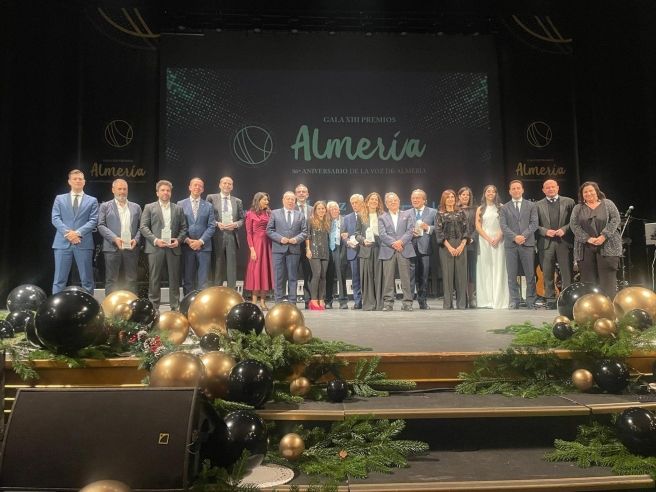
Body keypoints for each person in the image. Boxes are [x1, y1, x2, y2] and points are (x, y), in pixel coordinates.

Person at [140, 180, 188, 311]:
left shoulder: (178, 208)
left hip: (173, 248)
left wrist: (178, 240)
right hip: (156, 248)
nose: (165, 192)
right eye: (163, 190)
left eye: (168, 190)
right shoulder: (149, 207)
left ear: (171, 193)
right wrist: (155, 240)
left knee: (174, 278)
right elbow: (143, 227)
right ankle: (154, 307)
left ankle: (175, 306)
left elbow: (184, 228)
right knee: (154, 278)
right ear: (157, 192)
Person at [570, 181, 622, 297]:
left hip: (607, 246)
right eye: (585, 192)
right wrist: (587, 238)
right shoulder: (578, 208)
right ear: (582, 195)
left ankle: (609, 304)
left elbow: (615, 219)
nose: (588, 194)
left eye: (591, 191)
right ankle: (591, 305)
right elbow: (574, 225)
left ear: (597, 192)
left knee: (608, 281)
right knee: (588, 282)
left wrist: (604, 236)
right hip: (585, 248)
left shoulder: (608, 203)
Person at [51, 169, 99, 294]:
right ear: (69, 181)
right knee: (59, 280)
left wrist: (77, 233)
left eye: (80, 179)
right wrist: (69, 234)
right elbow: (55, 218)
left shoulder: (92, 200)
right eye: (75, 179)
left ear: (84, 182)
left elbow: (93, 221)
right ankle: (56, 305)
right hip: (62, 243)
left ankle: (89, 305)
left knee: (87, 280)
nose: (78, 181)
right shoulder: (59, 199)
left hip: (83, 243)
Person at [97, 178, 142, 295]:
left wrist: (136, 240)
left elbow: (141, 227)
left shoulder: (136, 207)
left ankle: (132, 304)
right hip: (112, 248)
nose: (122, 191)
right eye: (119, 189)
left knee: (131, 280)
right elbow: (101, 225)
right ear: (113, 190)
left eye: (124, 189)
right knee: (111, 280)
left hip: (131, 248)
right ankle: (109, 304)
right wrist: (114, 238)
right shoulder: (105, 206)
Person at [536, 179, 575, 309]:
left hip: (564, 242)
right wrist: (545, 231)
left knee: (566, 273)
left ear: (558, 188)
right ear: (543, 190)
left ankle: (567, 299)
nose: (550, 189)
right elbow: (534, 225)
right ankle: (550, 300)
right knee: (547, 274)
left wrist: (564, 229)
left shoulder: (569, 202)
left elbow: (574, 222)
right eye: (547, 187)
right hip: (546, 244)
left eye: (553, 187)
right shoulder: (537, 205)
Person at [499, 180, 538, 309]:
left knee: (530, 274)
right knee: (512, 275)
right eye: (513, 188)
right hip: (511, 244)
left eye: (518, 188)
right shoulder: (504, 207)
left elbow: (534, 224)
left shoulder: (531, 205)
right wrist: (515, 237)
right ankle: (514, 300)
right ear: (509, 191)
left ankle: (530, 301)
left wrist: (523, 236)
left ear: (522, 190)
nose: (516, 190)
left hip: (527, 244)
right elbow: (503, 226)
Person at [266, 191, 308, 304]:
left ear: (295, 201)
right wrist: (280, 238)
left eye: (292, 199)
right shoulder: (275, 213)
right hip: (278, 249)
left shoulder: (300, 215)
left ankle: (292, 302)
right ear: (283, 200)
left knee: (293, 277)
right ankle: (278, 301)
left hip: (294, 250)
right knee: (278, 277)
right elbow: (269, 230)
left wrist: (296, 239)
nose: (290, 201)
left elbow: (304, 232)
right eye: (288, 199)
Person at [378, 192, 415, 312]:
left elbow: (410, 231)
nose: (393, 202)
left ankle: (407, 303)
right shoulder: (382, 217)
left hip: (404, 249)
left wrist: (401, 242)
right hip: (388, 250)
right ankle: (388, 303)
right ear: (386, 204)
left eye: (395, 200)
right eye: (390, 201)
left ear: (399, 202)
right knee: (388, 279)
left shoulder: (407, 214)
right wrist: (394, 243)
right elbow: (382, 234)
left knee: (406, 278)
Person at [178, 178, 215, 295]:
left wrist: (200, 241)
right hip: (187, 247)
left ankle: (201, 303)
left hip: (204, 247)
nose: (197, 187)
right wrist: (187, 240)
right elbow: (177, 225)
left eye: (200, 186)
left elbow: (211, 226)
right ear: (189, 187)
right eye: (195, 185)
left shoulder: (208, 206)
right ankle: (187, 302)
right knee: (187, 279)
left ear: (203, 189)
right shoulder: (180, 204)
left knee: (203, 280)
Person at [475, 185, 509, 309]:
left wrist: (498, 237)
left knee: (499, 268)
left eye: (493, 191)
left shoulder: (502, 207)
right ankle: (486, 300)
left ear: (496, 194)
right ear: (484, 193)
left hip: (499, 240)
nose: (491, 193)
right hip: (484, 241)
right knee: (485, 269)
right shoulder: (480, 209)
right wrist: (488, 238)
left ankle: (499, 300)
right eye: (488, 191)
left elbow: (505, 224)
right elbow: (478, 226)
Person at [207, 176, 244, 289]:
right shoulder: (211, 198)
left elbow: (242, 219)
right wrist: (217, 223)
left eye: (229, 184)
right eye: (225, 183)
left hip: (231, 235)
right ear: (220, 185)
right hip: (217, 235)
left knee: (231, 266)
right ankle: (216, 293)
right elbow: (207, 216)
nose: (227, 185)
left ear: (232, 187)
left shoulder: (237, 201)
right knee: (217, 265)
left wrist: (235, 224)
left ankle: (231, 292)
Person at [436, 189, 470, 309]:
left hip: (461, 244)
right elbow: (439, 232)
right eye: (448, 197)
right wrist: (450, 247)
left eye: (452, 197)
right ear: (444, 199)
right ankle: (448, 304)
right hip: (446, 246)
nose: (450, 199)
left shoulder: (461, 213)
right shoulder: (440, 214)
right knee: (447, 276)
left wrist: (462, 245)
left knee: (461, 276)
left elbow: (466, 230)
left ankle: (462, 304)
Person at [356, 192, 385, 311]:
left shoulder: (383, 215)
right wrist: (363, 240)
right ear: (367, 202)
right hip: (366, 249)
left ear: (378, 203)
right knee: (367, 276)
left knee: (379, 276)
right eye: (372, 199)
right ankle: (369, 304)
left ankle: (380, 304)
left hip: (379, 248)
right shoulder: (361, 215)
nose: (374, 201)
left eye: (376, 200)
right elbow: (357, 234)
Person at [408, 189, 437, 310]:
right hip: (410, 248)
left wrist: (428, 228)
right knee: (410, 276)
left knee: (423, 276)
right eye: (413, 198)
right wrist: (410, 232)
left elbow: (439, 228)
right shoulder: (406, 213)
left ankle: (422, 301)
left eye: (418, 198)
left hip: (425, 248)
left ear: (424, 200)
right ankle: (408, 302)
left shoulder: (433, 212)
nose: (415, 200)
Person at [245, 192, 273, 310]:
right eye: (264, 200)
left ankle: (263, 302)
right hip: (256, 245)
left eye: (267, 200)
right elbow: (249, 233)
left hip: (268, 245)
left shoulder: (269, 213)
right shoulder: (250, 214)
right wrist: (252, 249)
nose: (267, 202)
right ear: (258, 200)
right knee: (256, 272)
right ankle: (254, 302)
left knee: (265, 272)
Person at [305, 201, 330, 310]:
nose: (321, 210)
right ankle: (313, 300)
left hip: (325, 251)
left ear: (325, 210)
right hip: (314, 250)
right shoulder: (310, 220)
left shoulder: (327, 221)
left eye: (323, 208)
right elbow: (307, 235)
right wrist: (308, 249)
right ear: (315, 210)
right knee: (317, 274)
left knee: (323, 276)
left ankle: (321, 299)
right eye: (319, 208)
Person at [326, 201, 349, 309]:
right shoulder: (325, 221)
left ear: (339, 210)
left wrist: (348, 234)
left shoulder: (345, 220)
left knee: (341, 275)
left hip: (341, 249)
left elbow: (352, 231)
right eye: (331, 209)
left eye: (335, 209)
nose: (334, 211)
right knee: (328, 276)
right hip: (328, 250)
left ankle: (343, 301)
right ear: (328, 211)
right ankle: (328, 300)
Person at [458, 186, 478, 308]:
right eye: (463, 194)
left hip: (471, 244)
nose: (465, 197)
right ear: (459, 196)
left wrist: (472, 238)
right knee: (461, 272)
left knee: (471, 272)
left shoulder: (475, 209)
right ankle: (462, 298)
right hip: (458, 244)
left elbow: (478, 226)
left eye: (467, 195)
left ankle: (472, 298)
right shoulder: (455, 209)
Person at [343, 194, 363, 309]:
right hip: (353, 251)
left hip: (366, 251)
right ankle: (357, 301)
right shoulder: (347, 218)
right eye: (353, 203)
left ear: (362, 203)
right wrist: (347, 242)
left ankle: (369, 300)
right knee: (355, 278)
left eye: (357, 203)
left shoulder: (367, 215)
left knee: (368, 278)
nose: (354, 205)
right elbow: (343, 235)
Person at [295, 184, 313, 307]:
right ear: (296, 194)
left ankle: (308, 300)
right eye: (299, 192)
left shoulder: (313, 209)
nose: (301, 193)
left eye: (304, 192)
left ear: (307, 194)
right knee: (293, 273)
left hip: (309, 246)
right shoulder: (291, 208)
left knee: (309, 273)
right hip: (294, 244)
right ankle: (292, 300)